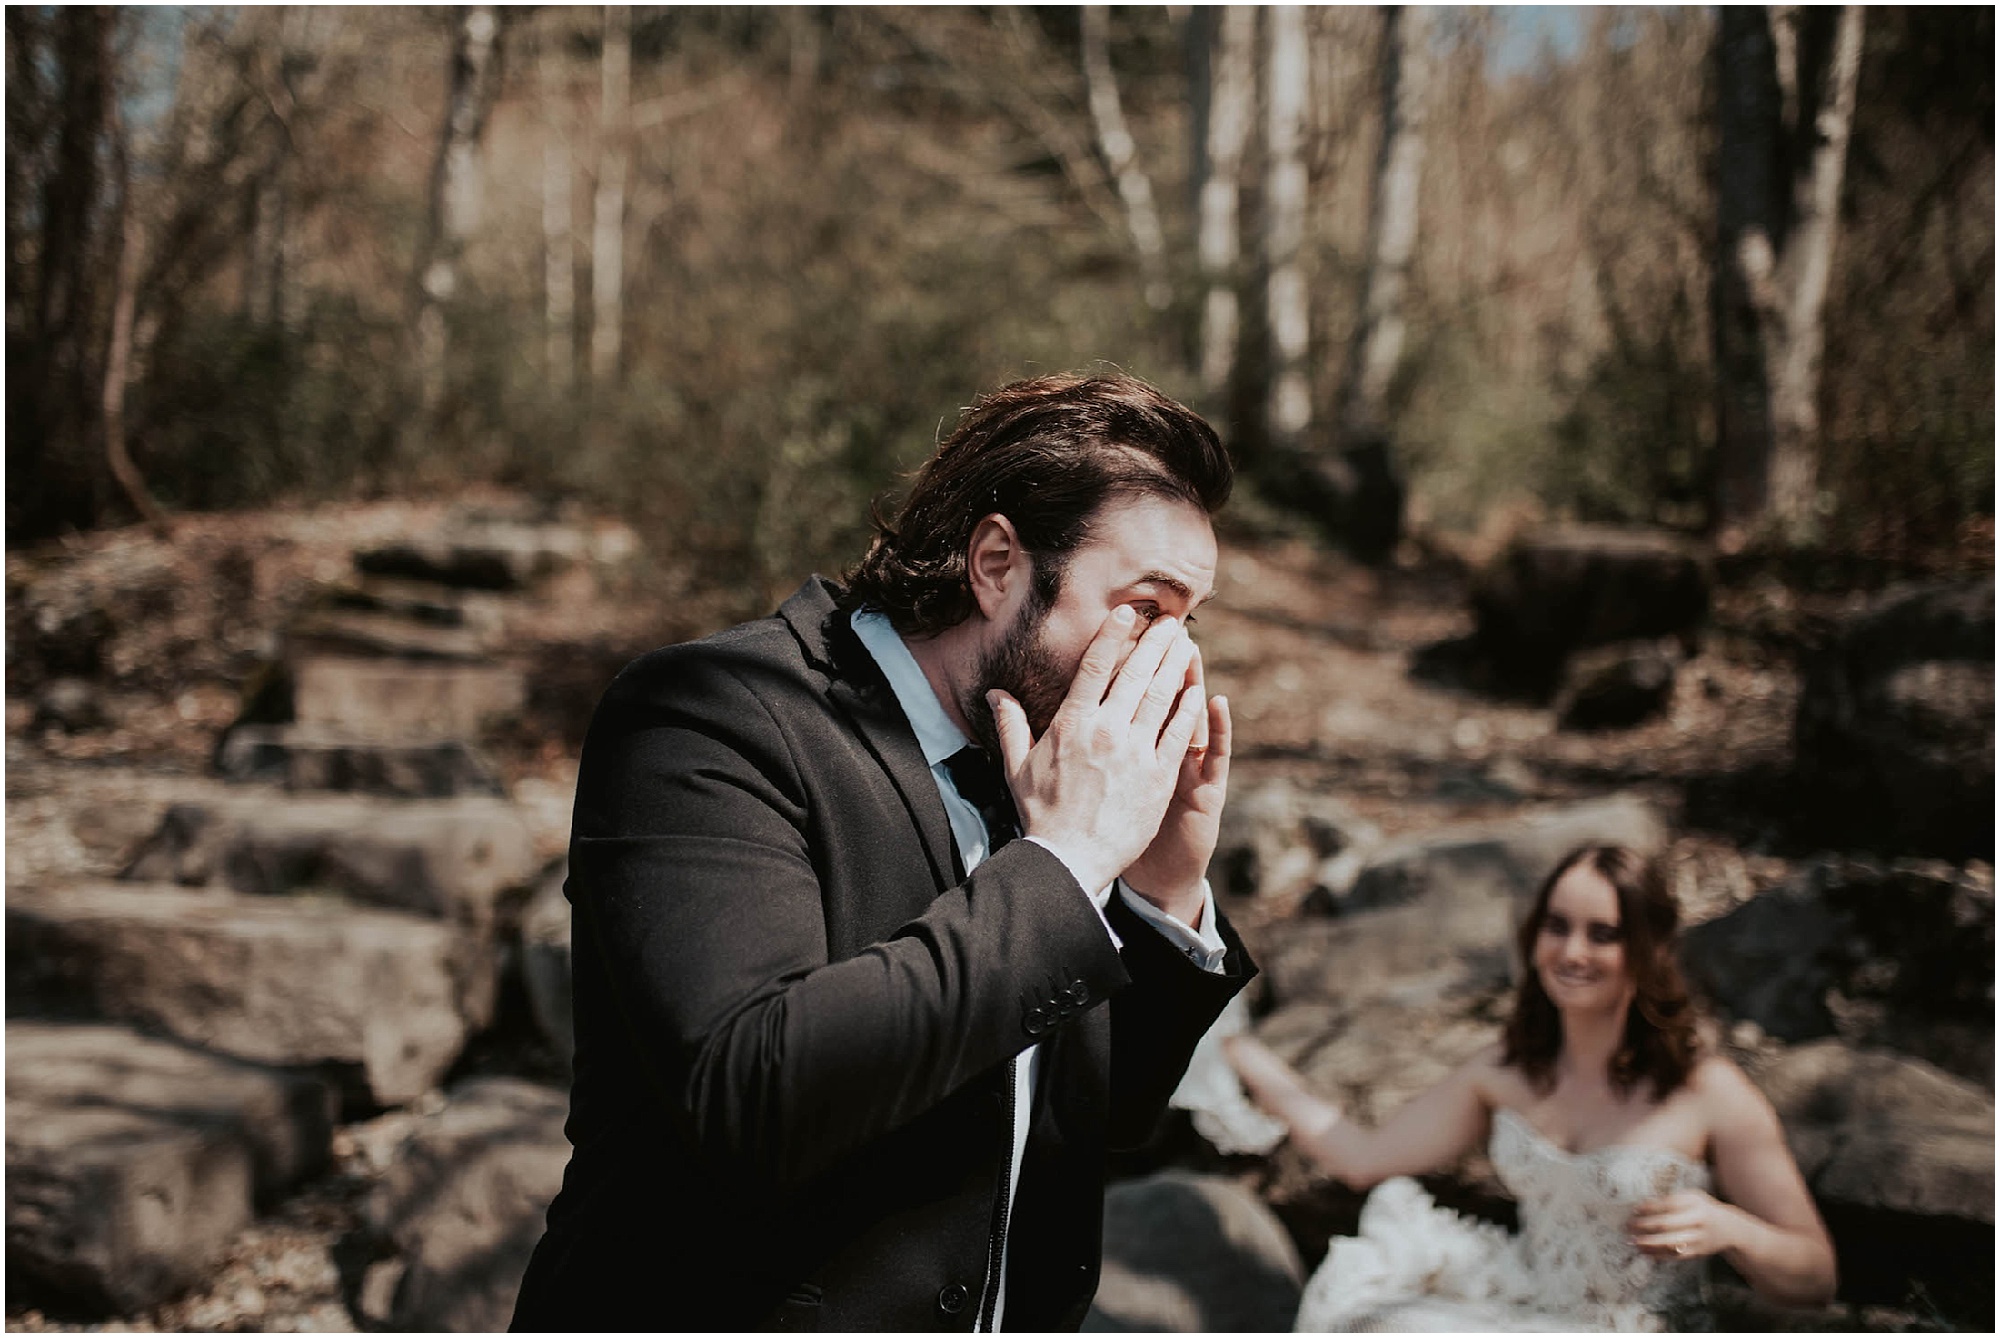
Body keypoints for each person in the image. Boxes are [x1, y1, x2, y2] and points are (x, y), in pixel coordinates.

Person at [512, 372, 1256, 1331]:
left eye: (1189, 622)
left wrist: (1162, 887)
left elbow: (1084, 1127)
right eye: (1148, 608)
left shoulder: (1036, 760)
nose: (1173, 662)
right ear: (997, 566)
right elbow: (753, 1093)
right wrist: (1067, 864)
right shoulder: (713, 714)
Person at [1226, 844, 1837, 1331]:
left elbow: (1816, 1279)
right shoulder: (1507, 1070)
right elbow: (1362, 1157)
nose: (1573, 951)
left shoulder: (1707, 1090)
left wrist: (1730, 1228)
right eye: (1557, 926)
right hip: (1524, 1310)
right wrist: (1237, 1049)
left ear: (1648, 950)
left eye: (1604, 933)